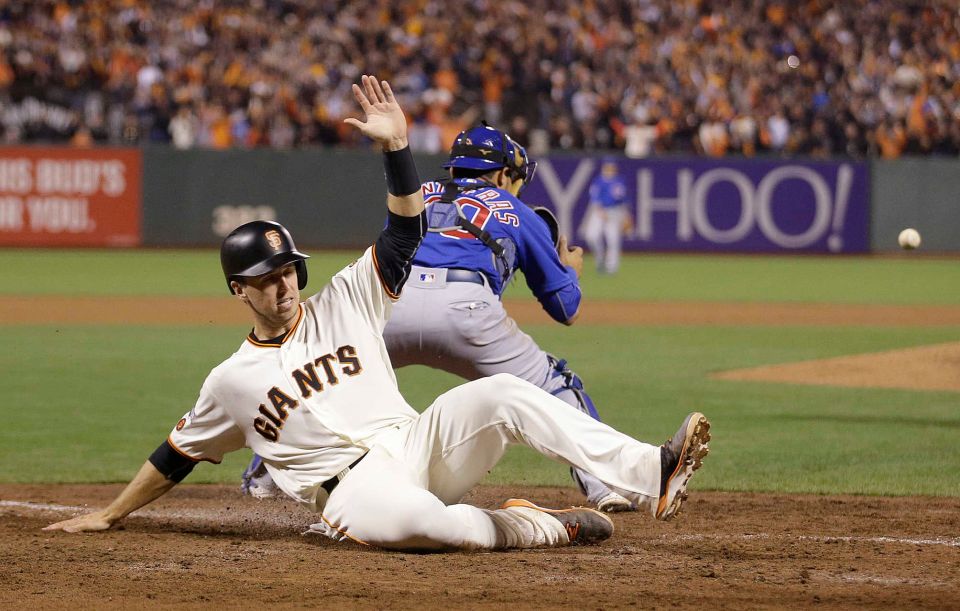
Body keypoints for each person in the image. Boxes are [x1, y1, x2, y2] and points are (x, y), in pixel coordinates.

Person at [44, 76, 711, 552]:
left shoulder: (345, 299)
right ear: (238, 291)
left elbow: (403, 234)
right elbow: (176, 454)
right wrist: (110, 514)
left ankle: (651, 471)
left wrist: (397, 152)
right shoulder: (230, 380)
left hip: (417, 442)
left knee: (508, 391)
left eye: (287, 271)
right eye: (264, 279)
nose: (281, 286)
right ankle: (543, 525)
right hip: (352, 492)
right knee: (436, 527)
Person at [243, 124, 635, 513]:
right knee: (558, 387)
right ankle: (605, 487)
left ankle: (262, 479)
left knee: (317, 376)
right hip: (468, 312)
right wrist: (569, 271)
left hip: (392, 307)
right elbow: (566, 309)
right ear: (502, 174)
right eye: (514, 177)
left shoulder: (418, 194)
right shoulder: (514, 208)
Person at [581, 160, 630, 274]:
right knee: (591, 236)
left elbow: (624, 200)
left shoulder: (620, 181)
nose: (609, 170)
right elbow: (594, 198)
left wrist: (626, 216)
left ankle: (612, 267)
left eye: (611, 168)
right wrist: (600, 210)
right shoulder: (598, 181)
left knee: (613, 239)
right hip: (599, 211)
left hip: (614, 211)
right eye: (607, 167)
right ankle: (600, 259)